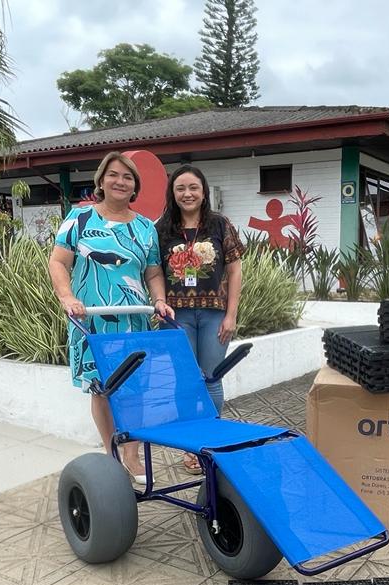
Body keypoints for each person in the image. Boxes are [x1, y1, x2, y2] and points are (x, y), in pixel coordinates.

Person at [48, 151, 174, 484]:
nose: (120, 181)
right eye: (113, 175)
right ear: (101, 180)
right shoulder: (79, 219)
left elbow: (153, 272)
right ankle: (112, 454)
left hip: (134, 319)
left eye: (128, 177)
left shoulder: (146, 228)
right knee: (101, 390)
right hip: (91, 319)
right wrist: (67, 296)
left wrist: (159, 300)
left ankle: (132, 458)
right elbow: (58, 262)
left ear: (135, 187)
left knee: (135, 389)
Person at [155, 165, 244, 474]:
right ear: (172, 193)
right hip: (176, 316)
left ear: (204, 191)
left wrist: (231, 314)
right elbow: (153, 271)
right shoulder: (162, 228)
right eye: (180, 188)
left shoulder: (220, 225)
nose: (187, 193)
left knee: (211, 378)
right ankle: (191, 447)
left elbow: (234, 270)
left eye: (193, 187)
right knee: (184, 381)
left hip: (214, 315)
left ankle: (210, 440)